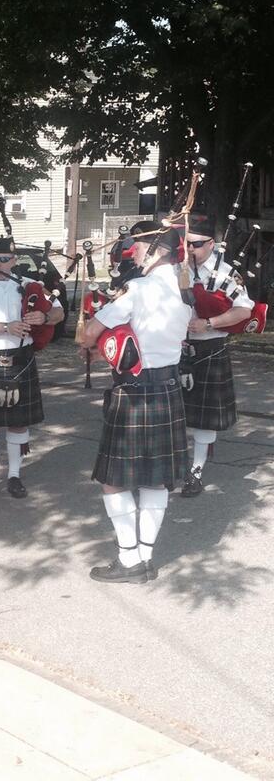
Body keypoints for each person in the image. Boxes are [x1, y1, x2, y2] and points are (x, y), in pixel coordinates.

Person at [83, 227, 191, 583]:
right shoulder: (184, 293)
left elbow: (88, 335)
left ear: (158, 252)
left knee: (113, 480)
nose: (136, 251)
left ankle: (129, 560)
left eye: (142, 246)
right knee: (155, 481)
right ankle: (145, 558)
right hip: (168, 389)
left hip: (133, 392)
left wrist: (93, 320)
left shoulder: (139, 290)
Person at [0, 235, 64, 500]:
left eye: (5, 260)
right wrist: (5, 327)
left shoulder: (31, 286)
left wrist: (43, 316)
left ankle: (15, 476)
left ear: (14, 260)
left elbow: (59, 313)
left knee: (18, 425)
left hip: (22, 358)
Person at [180, 217, 253, 497]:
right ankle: (173, 464)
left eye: (196, 244)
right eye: (187, 244)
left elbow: (244, 311)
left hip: (210, 348)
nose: (190, 249)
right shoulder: (177, 269)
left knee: (202, 418)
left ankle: (195, 471)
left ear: (212, 244)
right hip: (177, 348)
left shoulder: (226, 274)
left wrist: (209, 323)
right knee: (176, 413)